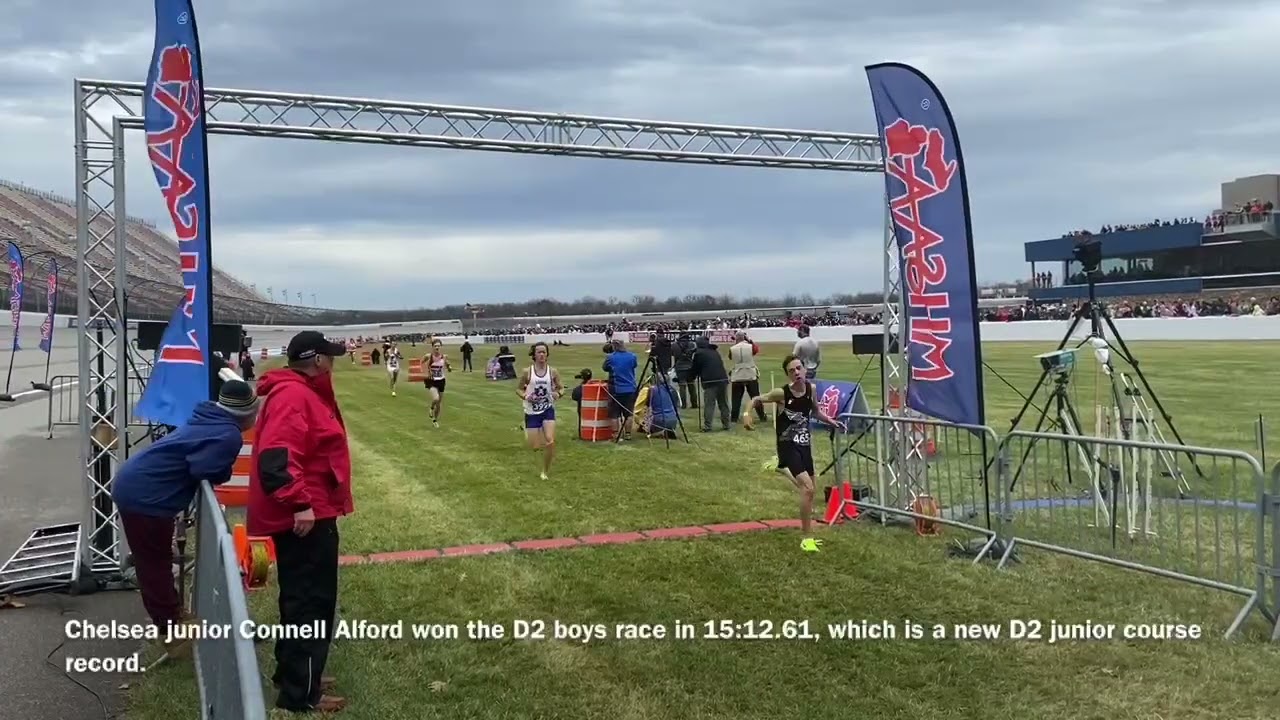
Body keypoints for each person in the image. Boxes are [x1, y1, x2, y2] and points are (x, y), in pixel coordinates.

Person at [111, 379, 259, 657]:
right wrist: (222, 472)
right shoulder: (227, 434)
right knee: (154, 564)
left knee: (156, 561)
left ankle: (174, 617)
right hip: (146, 497)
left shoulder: (208, 419)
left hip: (140, 486)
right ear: (247, 414)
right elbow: (206, 468)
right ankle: (171, 629)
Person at [248, 331, 353, 714]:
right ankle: (301, 692)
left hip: (309, 510)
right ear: (319, 361)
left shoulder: (295, 391)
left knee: (300, 598)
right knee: (311, 601)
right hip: (307, 515)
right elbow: (277, 459)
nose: (334, 363)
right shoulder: (295, 395)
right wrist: (300, 504)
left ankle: (295, 672)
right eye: (331, 357)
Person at [743, 355, 844, 540]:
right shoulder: (781, 394)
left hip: (804, 443)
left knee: (811, 488)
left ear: (804, 370)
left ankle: (781, 469)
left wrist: (831, 421)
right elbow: (756, 398)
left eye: (799, 368)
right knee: (808, 489)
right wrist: (746, 414)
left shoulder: (811, 389)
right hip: (787, 444)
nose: (796, 372)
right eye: (792, 371)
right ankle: (807, 538)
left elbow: (816, 411)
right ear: (788, 375)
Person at [517, 342, 563, 480]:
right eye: (539, 352)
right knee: (535, 446)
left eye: (544, 352)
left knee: (550, 441)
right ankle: (526, 427)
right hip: (531, 412)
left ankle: (545, 472)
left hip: (547, 409)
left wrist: (558, 394)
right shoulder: (527, 372)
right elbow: (518, 389)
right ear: (534, 355)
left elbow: (561, 388)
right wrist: (527, 396)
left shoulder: (553, 371)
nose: (542, 354)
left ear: (547, 354)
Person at [690, 336, 730, 431]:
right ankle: (726, 424)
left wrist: (691, 377)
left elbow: (695, 368)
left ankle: (708, 426)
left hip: (710, 381)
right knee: (723, 403)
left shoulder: (699, 353)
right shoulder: (714, 351)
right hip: (722, 380)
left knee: (709, 404)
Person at [602, 339, 639, 439]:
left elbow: (605, 368)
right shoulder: (632, 356)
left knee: (614, 414)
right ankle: (628, 434)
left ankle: (615, 434)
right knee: (628, 413)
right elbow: (634, 366)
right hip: (630, 388)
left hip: (616, 388)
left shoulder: (611, 357)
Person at [728, 331, 766, 425]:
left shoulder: (732, 348)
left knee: (736, 399)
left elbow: (730, 357)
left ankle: (734, 418)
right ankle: (761, 415)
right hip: (750, 375)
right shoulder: (750, 346)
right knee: (756, 398)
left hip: (737, 375)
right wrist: (749, 341)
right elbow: (756, 350)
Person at [423, 338, 452, 427]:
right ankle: (431, 408)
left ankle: (435, 420)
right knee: (435, 398)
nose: (437, 347)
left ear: (441, 347)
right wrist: (427, 371)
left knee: (439, 403)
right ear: (432, 347)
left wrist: (449, 367)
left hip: (441, 380)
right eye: (435, 346)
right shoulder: (428, 356)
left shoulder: (444, 356)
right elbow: (421, 363)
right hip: (432, 380)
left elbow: (447, 365)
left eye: (438, 346)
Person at [673, 333, 698, 410]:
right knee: (692, 385)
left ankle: (684, 405)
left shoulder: (675, 345)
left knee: (682, 386)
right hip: (690, 366)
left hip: (680, 367)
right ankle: (694, 404)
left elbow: (675, 356)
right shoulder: (692, 344)